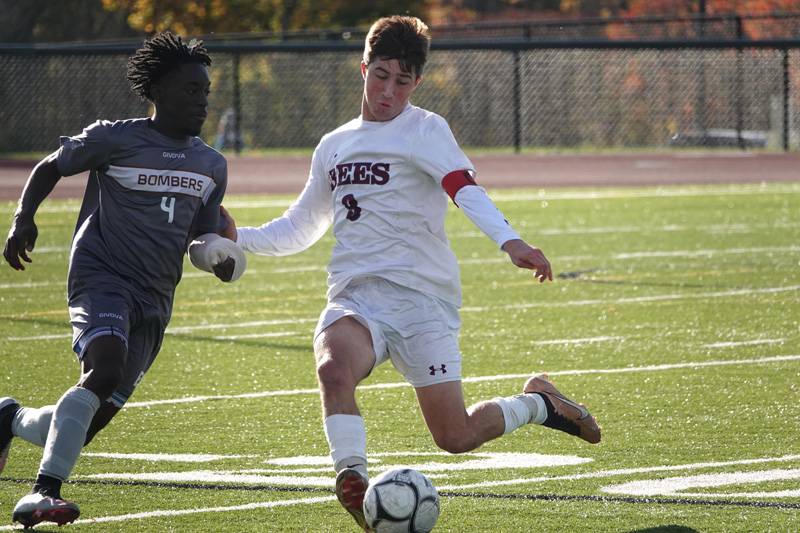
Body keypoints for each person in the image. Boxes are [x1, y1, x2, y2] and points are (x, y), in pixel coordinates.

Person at [222, 15, 601, 531]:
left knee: (455, 436)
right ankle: (352, 481)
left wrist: (511, 241)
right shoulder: (333, 144)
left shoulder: (425, 128)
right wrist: (235, 237)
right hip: (356, 298)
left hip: (423, 301)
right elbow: (300, 227)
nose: (388, 91)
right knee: (334, 369)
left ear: (416, 83)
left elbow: (463, 189)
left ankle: (539, 403)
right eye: (381, 75)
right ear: (363, 68)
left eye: (402, 81)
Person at [0, 31, 241, 528]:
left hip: (156, 299)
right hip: (102, 278)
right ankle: (43, 492)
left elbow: (198, 233)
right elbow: (50, 166)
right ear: (157, 92)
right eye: (190, 90)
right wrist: (23, 218)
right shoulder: (115, 138)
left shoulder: (211, 165)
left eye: (205, 92)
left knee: (87, 418)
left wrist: (215, 254)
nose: (201, 101)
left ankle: (10, 419)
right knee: (104, 369)